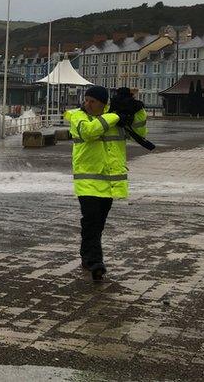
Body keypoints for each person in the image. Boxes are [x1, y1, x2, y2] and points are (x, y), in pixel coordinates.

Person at [63, 85, 148, 281]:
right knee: (91, 220)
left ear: (103, 103)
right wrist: (117, 116)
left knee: (97, 223)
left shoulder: (114, 117)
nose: (87, 104)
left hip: (108, 184)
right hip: (87, 182)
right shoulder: (78, 116)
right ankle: (95, 262)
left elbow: (139, 132)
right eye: (86, 100)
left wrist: (137, 109)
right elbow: (89, 131)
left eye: (92, 101)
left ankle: (87, 256)